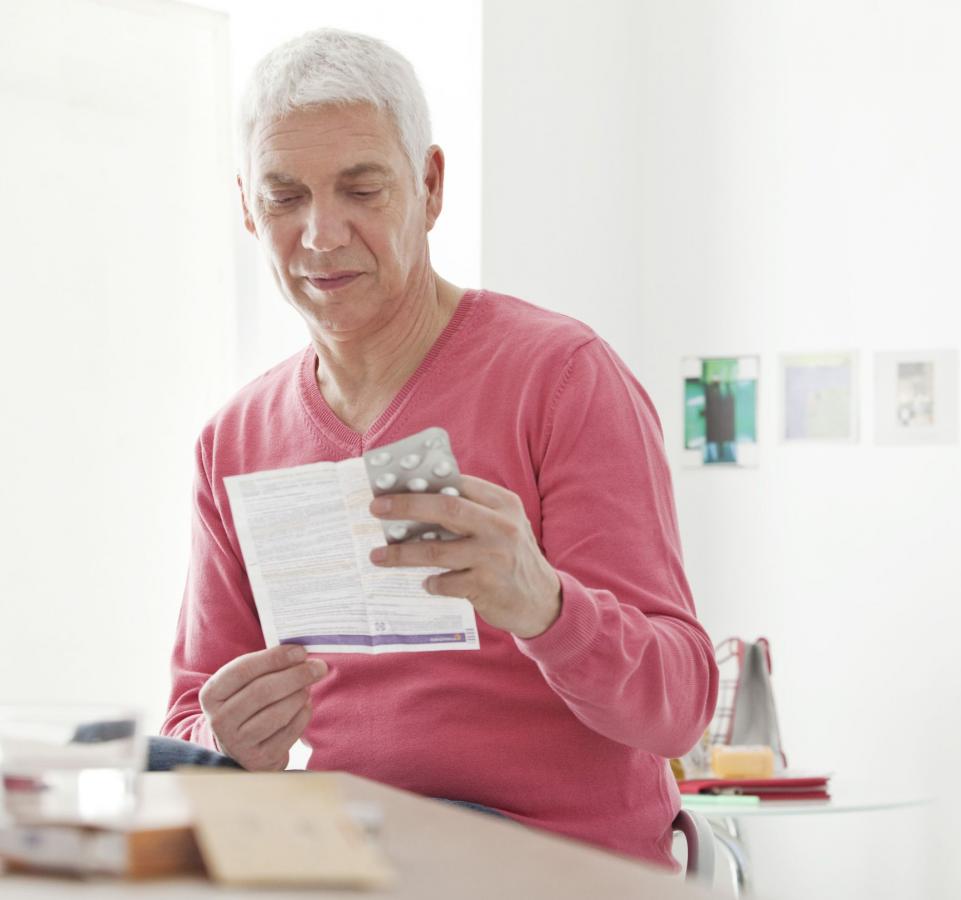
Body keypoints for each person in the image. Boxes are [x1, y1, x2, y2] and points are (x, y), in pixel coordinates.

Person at [160, 27, 717, 869]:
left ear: (429, 184)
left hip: (554, 867)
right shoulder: (234, 438)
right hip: (343, 863)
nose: (320, 234)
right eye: (284, 198)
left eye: (361, 188)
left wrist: (546, 605)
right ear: (246, 207)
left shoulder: (561, 378)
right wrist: (226, 739)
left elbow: (680, 709)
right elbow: (189, 723)